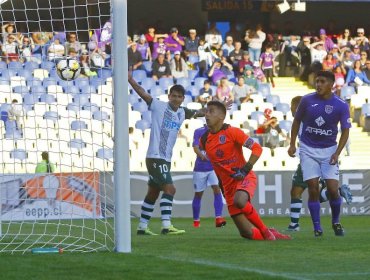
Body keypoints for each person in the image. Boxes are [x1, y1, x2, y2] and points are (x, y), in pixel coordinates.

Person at [128, 72, 207, 235]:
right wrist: (130, 80)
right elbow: (143, 93)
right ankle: (166, 225)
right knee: (170, 189)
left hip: (164, 158)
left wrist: (218, 107)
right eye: (174, 96)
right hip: (156, 156)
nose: (176, 99)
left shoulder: (182, 112)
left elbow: (201, 112)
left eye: (179, 97)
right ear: (169, 96)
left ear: (183, 99)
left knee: (153, 192)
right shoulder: (158, 105)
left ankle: (142, 227)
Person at [199, 100, 290, 240]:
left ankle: (265, 230)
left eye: (211, 111)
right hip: (228, 186)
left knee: (240, 201)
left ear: (222, 117)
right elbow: (216, 165)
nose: (207, 115)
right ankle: (273, 233)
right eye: (206, 111)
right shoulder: (204, 140)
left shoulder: (233, 132)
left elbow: (257, 148)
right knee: (246, 233)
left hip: (244, 177)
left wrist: (245, 169)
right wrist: (222, 186)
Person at [288, 70, 351, 237]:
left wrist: (338, 152)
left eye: (322, 82)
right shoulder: (307, 100)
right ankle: (317, 227)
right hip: (308, 150)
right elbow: (296, 122)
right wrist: (292, 144)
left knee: (332, 189)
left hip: (329, 150)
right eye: (317, 81)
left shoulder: (341, 105)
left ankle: (336, 222)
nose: (318, 84)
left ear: (331, 85)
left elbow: (345, 131)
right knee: (313, 188)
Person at [192, 125, 226, 228]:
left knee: (217, 189)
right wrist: (202, 155)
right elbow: (195, 147)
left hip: (214, 168)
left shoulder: (220, 131)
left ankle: (218, 218)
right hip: (200, 168)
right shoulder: (198, 131)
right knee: (198, 194)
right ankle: (196, 221)